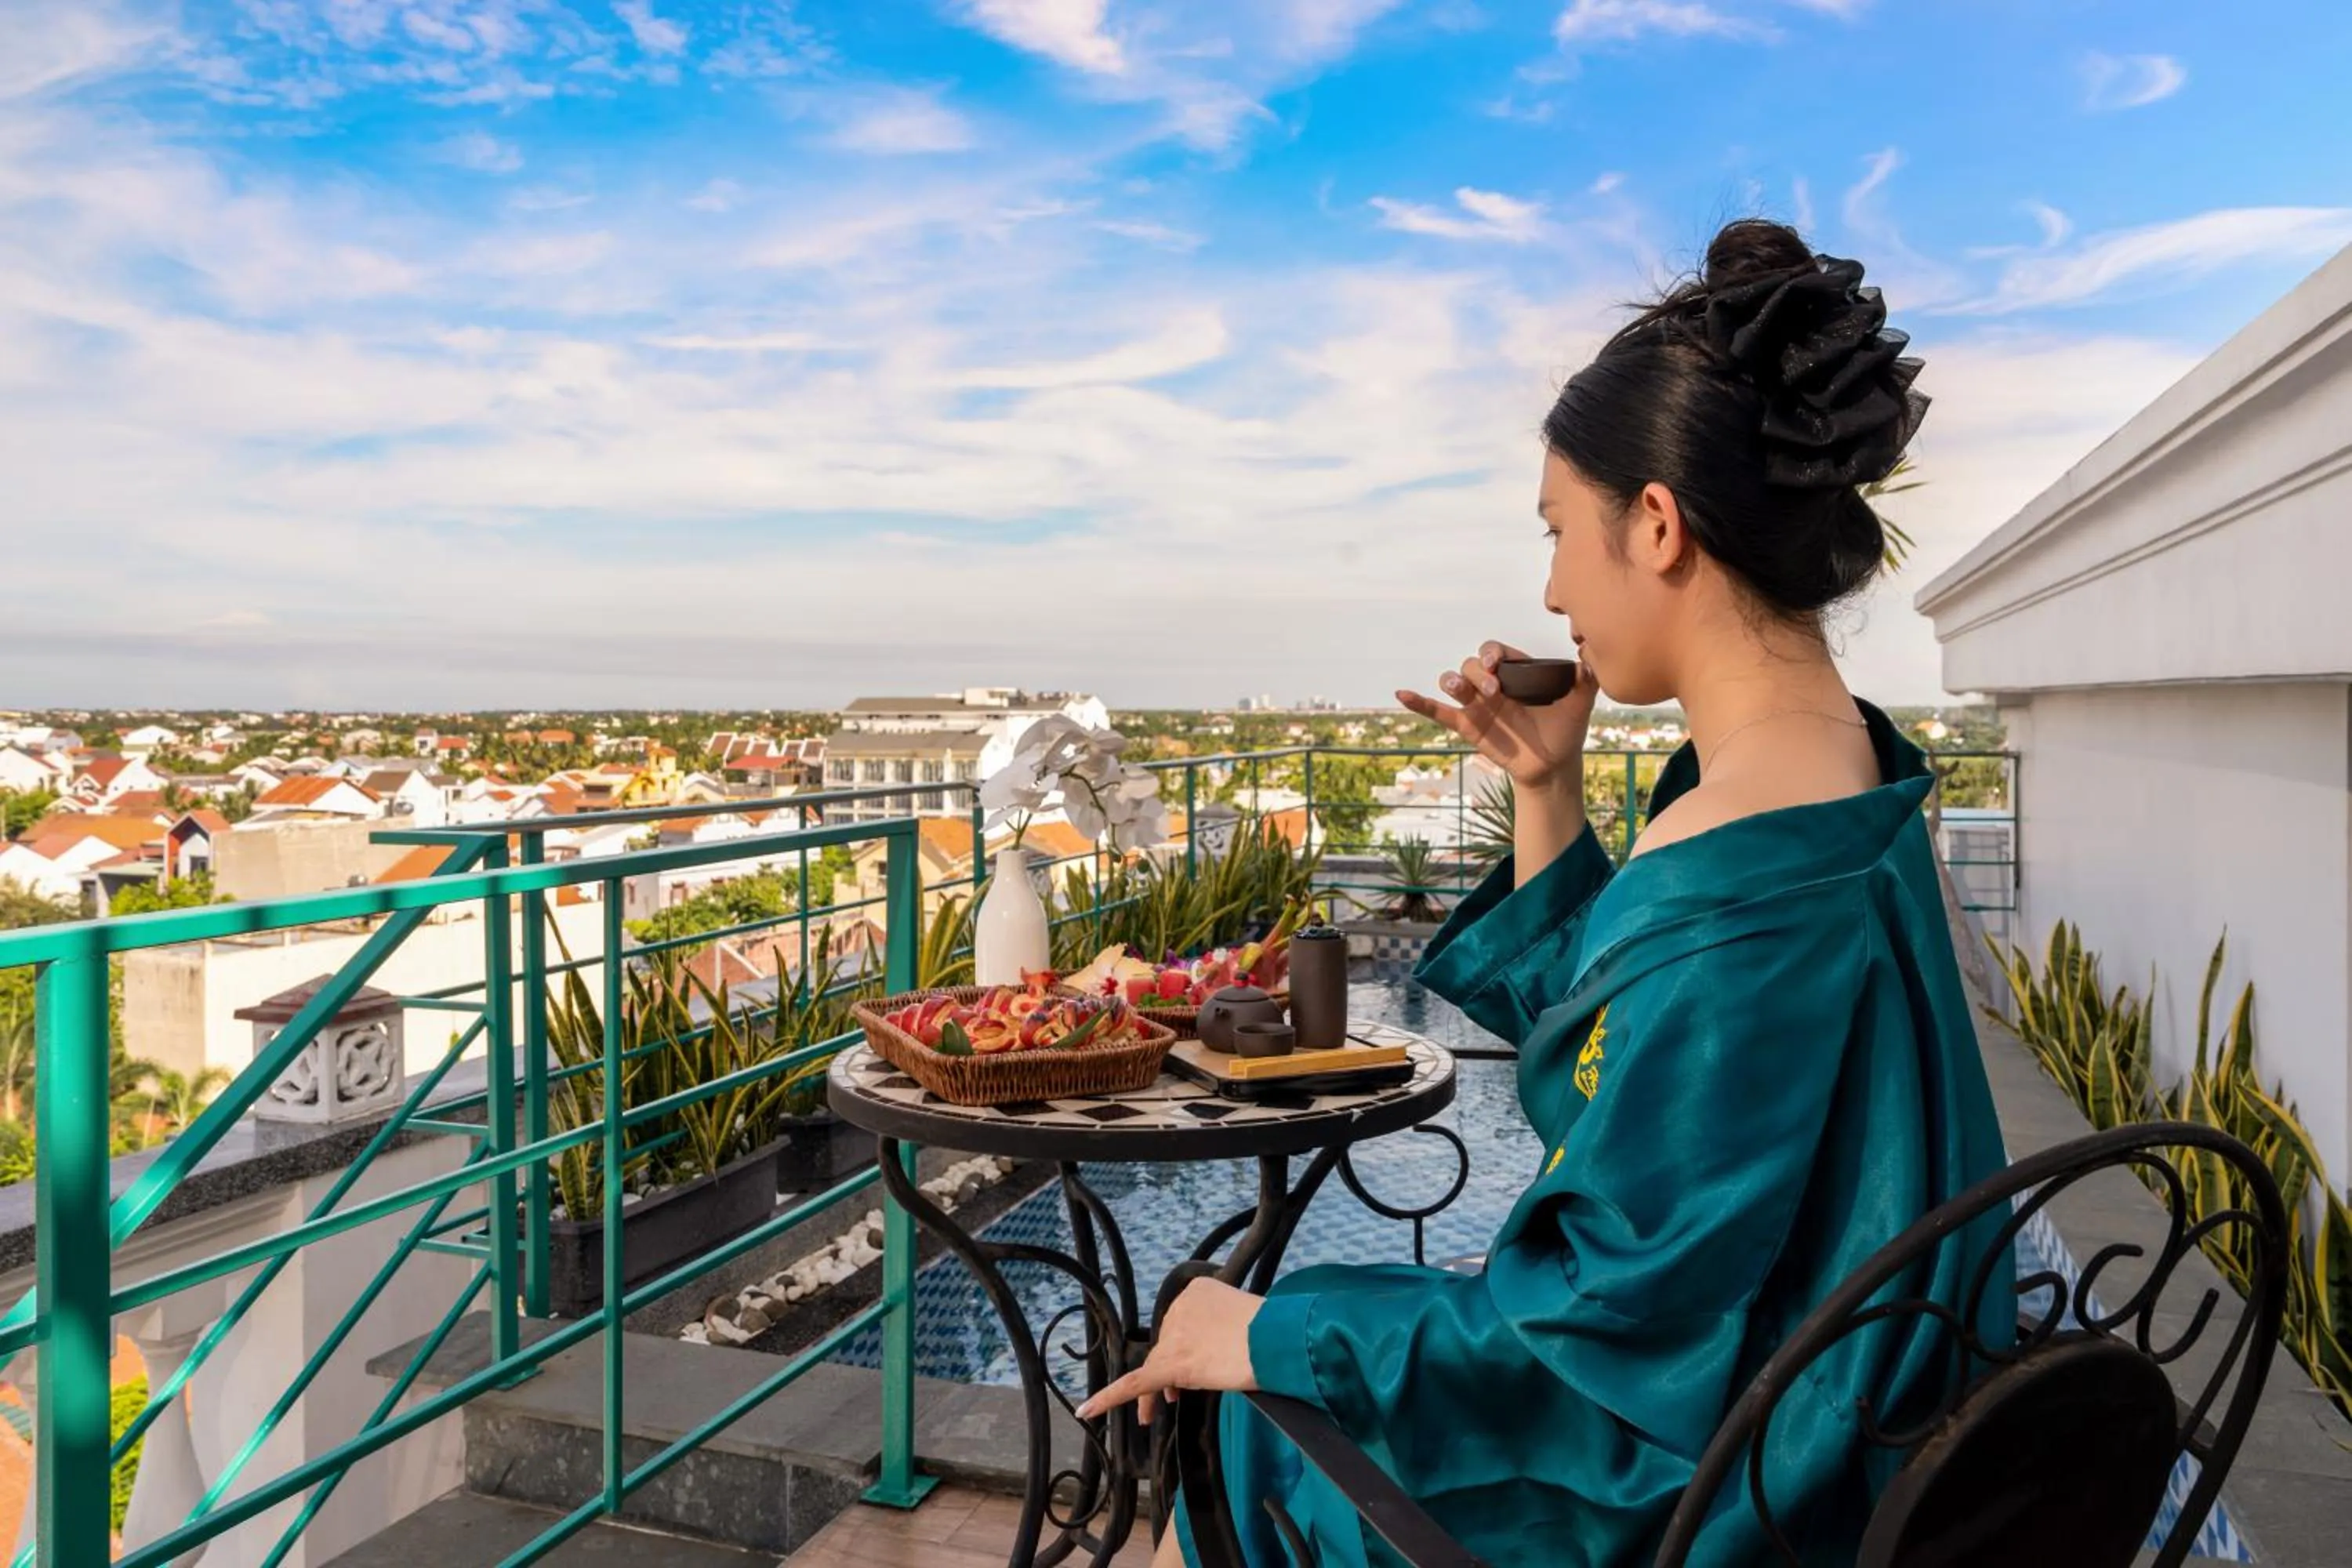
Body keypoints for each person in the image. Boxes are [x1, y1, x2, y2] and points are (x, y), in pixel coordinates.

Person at [1076, 218, 2017, 1566]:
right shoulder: (1838, 781)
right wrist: (1545, 791)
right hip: (1850, 1406)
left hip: (1722, 1490)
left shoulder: (1740, 882)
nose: (1553, 587)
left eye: (1561, 532)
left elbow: (1595, 1320)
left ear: (1656, 521)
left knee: (1248, 1402)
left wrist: (1266, 1331)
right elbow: (1648, 1065)